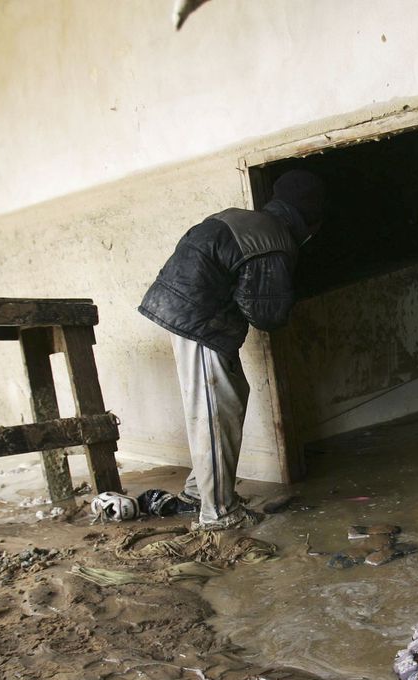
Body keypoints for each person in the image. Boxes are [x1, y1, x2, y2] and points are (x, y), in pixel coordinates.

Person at [139, 170, 325, 530]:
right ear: (309, 219)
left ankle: (198, 493)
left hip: (191, 313)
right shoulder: (275, 239)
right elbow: (266, 316)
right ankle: (218, 514)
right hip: (199, 321)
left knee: (228, 402)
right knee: (215, 413)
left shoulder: (249, 220)